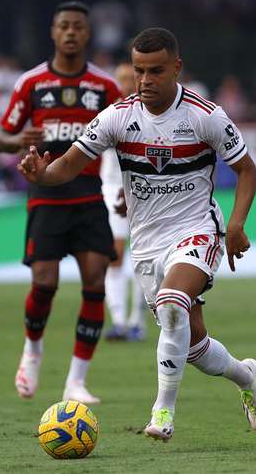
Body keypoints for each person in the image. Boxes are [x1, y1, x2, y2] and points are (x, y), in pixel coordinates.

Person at [17, 27, 256, 441]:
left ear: (176, 68)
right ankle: (246, 377)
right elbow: (70, 163)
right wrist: (43, 173)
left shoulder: (205, 115)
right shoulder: (118, 116)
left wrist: (236, 224)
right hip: (147, 241)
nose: (146, 80)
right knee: (192, 345)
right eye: (139, 71)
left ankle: (162, 414)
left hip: (197, 229)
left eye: (156, 71)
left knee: (172, 305)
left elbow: (247, 169)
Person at [0, 1, 122, 404]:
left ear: (87, 34)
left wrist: (126, 184)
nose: (70, 33)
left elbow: (126, 135)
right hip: (47, 196)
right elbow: (3, 137)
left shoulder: (105, 87)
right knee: (44, 281)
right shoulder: (31, 83)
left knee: (96, 281)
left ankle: (76, 381)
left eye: (78, 27)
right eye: (64, 26)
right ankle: (32, 351)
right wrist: (20, 141)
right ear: (53, 32)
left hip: (89, 195)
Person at [100, 62, 148, 342]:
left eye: (129, 78)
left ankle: (137, 321)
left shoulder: (150, 114)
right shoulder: (109, 114)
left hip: (144, 190)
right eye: (120, 79)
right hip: (112, 188)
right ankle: (118, 320)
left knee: (143, 257)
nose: (125, 84)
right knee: (115, 254)